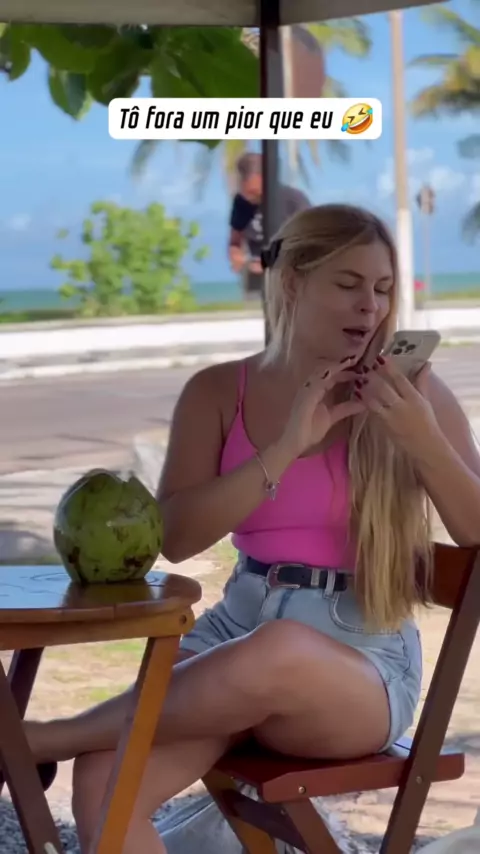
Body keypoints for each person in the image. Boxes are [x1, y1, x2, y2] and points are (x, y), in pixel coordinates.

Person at [27, 204, 480, 854]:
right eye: (348, 284)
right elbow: (177, 538)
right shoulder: (217, 392)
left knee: (277, 649)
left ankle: (41, 739)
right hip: (231, 637)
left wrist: (422, 439)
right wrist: (287, 447)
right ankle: (54, 743)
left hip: (361, 668)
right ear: (292, 281)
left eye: (383, 289)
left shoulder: (415, 397)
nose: (371, 307)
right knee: (105, 780)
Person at [228, 151, 310, 299]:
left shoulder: (294, 200)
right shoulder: (241, 203)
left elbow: (311, 243)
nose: (250, 198)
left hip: (294, 279)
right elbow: (235, 239)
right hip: (260, 281)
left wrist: (272, 261)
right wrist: (236, 255)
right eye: (246, 193)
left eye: (254, 192)